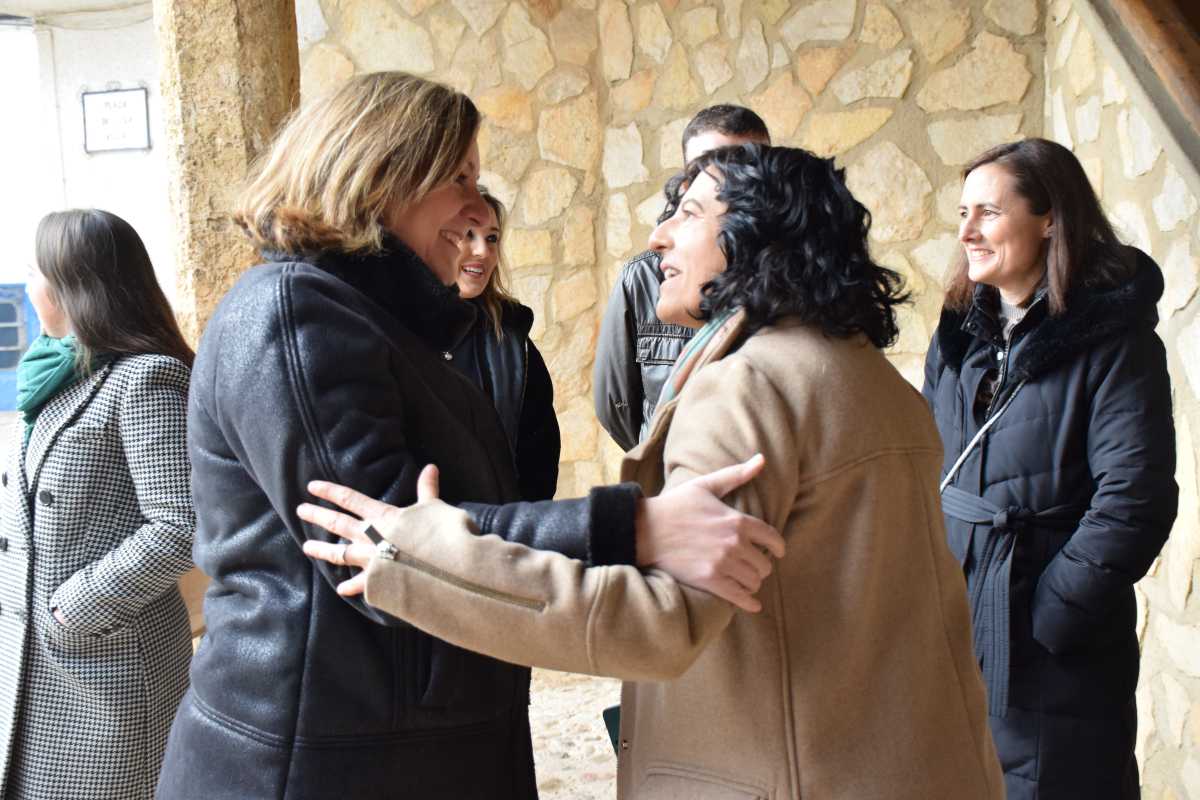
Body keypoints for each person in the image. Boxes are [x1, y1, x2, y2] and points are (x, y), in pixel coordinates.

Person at [299, 144, 1005, 799]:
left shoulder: (750, 386)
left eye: (688, 215)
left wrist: (425, 562)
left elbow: (658, 624)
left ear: (759, 236)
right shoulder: (871, 377)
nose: (658, 238)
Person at [156, 72, 783, 800]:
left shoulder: (374, 317)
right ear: (380, 172)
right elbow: (381, 551)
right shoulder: (294, 314)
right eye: (458, 177)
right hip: (320, 763)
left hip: (396, 748)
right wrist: (634, 526)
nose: (478, 207)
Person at [921, 138, 1177, 799]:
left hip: (1054, 642)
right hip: (957, 623)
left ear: (1051, 219)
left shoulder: (1113, 342)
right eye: (962, 213)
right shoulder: (958, 334)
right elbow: (926, 461)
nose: (968, 231)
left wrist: (1051, 615)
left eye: (988, 212)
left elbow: (1135, 499)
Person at [0, 209, 196, 800]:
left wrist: (74, 609)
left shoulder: (143, 379)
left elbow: (181, 524)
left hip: (103, 667)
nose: (30, 282)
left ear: (73, 283)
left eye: (37, 269)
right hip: (31, 655)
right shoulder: (55, 373)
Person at [593, 105, 770, 451]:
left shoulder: (787, 281)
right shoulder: (643, 277)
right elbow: (616, 406)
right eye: (704, 167)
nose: (723, 182)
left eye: (743, 166)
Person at [449, 188, 559, 501]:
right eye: (468, 234)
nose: (483, 251)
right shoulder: (397, 330)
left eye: (492, 238)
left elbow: (539, 461)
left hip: (498, 536)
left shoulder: (514, 342)